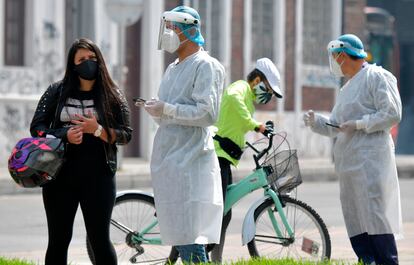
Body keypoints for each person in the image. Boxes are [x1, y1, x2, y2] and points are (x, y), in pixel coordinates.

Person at [30, 38, 132, 265]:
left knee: (100, 240)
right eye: (82, 59)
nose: (88, 63)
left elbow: (126, 134)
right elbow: (36, 129)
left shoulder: (112, 94)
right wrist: (63, 135)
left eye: (92, 58)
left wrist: (97, 130)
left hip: (99, 178)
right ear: (73, 64)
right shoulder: (56, 92)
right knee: (58, 240)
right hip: (59, 177)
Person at [303, 34, 402, 265]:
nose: (335, 63)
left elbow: (392, 113)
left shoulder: (377, 76)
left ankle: (387, 261)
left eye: (336, 57)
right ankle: (366, 260)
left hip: (371, 160)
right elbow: (335, 126)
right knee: (355, 217)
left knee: (374, 214)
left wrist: (360, 124)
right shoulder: (347, 88)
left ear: (345, 55)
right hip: (349, 164)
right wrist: (317, 121)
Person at [143, 6, 225, 264]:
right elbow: (172, 112)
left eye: (172, 28)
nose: (167, 34)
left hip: (190, 159)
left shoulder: (206, 66)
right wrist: (156, 109)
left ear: (188, 31)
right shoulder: (173, 68)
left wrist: (167, 108)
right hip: (169, 159)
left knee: (190, 234)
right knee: (180, 232)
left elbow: (207, 113)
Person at [210, 58, 282, 262]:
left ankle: (216, 259)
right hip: (218, 156)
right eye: (267, 89)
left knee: (225, 213)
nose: (268, 95)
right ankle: (202, 253)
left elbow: (234, 124)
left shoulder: (248, 100)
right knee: (219, 210)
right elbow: (232, 98)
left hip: (226, 157)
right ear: (257, 79)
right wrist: (256, 125)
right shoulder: (241, 87)